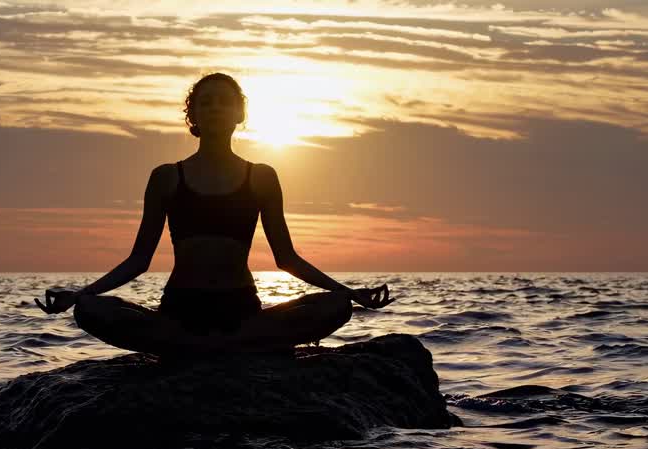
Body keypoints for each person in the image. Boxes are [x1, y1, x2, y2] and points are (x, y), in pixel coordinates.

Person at [35, 72, 394, 355]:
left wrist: (350, 292)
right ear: (192, 115)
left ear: (240, 113)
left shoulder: (262, 177)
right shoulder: (166, 177)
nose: (216, 109)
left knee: (336, 306)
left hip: (241, 310)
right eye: (206, 102)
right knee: (90, 309)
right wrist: (80, 294)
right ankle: (217, 346)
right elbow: (138, 260)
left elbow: (286, 258)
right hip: (180, 311)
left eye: (225, 102)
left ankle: (211, 346)